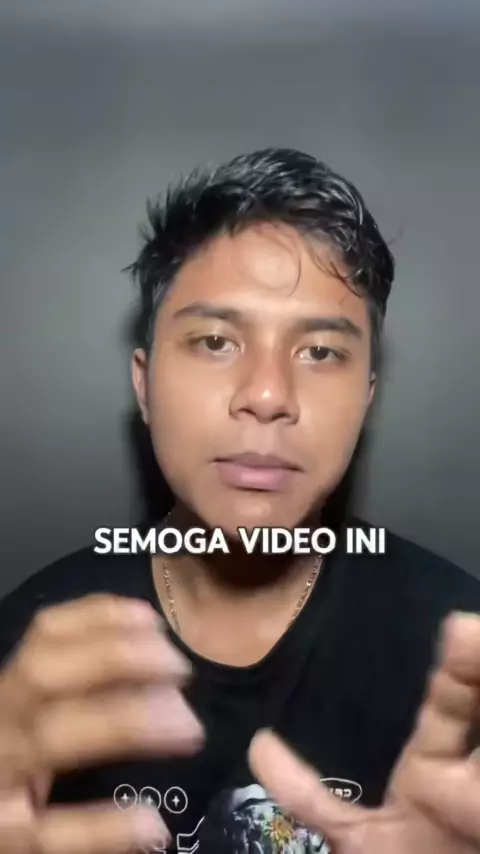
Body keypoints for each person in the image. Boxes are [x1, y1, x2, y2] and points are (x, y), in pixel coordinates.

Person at [0, 148, 479, 854]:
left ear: (367, 398)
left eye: (321, 352)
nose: (267, 394)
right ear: (144, 385)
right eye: (216, 341)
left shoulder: (462, 656)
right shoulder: (25, 656)